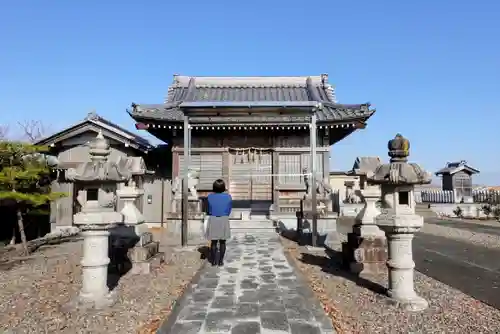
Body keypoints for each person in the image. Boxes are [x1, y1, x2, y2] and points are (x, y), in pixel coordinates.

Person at [206, 179, 232, 266]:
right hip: (224, 218)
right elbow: (229, 210)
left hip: (213, 218)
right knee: (222, 242)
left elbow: (208, 210)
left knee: (213, 242)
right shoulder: (228, 197)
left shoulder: (209, 197)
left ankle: (213, 261)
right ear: (223, 187)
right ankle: (220, 261)